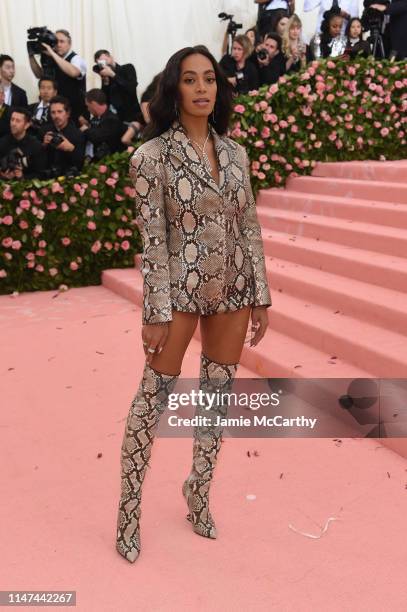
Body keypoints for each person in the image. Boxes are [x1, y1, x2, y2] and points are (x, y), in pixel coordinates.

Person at [115, 44, 271, 563]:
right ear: (173, 88)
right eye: (190, 79)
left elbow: (248, 226)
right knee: (151, 402)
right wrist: (155, 311)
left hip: (233, 291)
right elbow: (152, 239)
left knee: (215, 400)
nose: (202, 88)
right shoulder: (150, 157)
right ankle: (128, 511)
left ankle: (197, 493)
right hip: (178, 293)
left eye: (209, 79)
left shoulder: (236, 154)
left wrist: (261, 295)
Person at [28, 29, 87, 123]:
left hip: (75, 110)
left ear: (69, 44)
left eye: (62, 41)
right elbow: (40, 75)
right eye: (56, 41)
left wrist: (52, 53)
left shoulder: (76, 59)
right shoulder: (52, 58)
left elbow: (73, 72)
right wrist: (31, 57)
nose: (58, 45)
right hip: (56, 110)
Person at [93, 49, 143, 126]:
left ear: (111, 57)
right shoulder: (106, 77)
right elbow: (105, 101)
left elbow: (131, 88)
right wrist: (105, 82)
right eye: (100, 63)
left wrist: (113, 74)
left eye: (105, 60)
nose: (104, 64)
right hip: (116, 119)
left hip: (132, 116)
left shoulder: (127, 68)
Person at [41, 95, 85, 175]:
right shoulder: (44, 131)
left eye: (60, 112)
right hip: (47, 176)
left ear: (67, 113)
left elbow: (81, 164)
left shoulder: (77, 134)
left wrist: (71, 149)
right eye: (53, 112)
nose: (56, 116)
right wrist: (43, 145)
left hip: (68, 177)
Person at [79, 88, 126, 160]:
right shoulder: (96, 118)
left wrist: (85, 130)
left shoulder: (112, 119)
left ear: (93, 104)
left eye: (88, 106)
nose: (88, 109)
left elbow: (98, 137)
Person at [0, 107, 45, 180]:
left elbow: (41, 174)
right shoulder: (2, 142)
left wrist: (22, 177)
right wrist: (2, 175)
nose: (13, 124)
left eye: (18, 121)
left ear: (27, 125)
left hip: (27, 187)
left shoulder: (36, 146)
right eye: (12, 119)